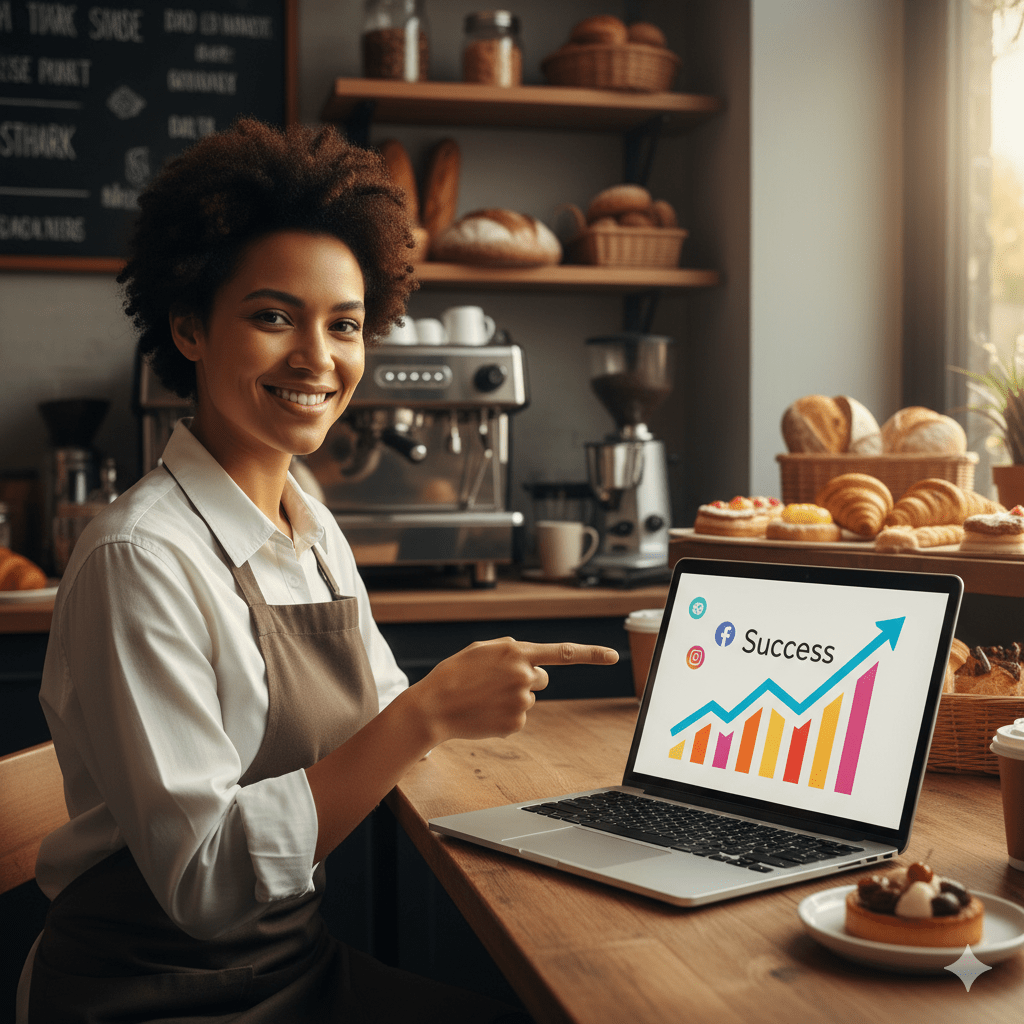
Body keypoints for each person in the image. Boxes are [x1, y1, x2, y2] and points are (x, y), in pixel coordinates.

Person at [19, 118, 618, 1023]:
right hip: (148, 994)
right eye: (272, 316)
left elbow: (382, 720)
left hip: (292, 967)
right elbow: (208, 882)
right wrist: (426, 713)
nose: (316, 357)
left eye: (344, 324)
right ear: (187, 325)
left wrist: (577, 800)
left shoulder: (308, 520)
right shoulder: (139, 559)